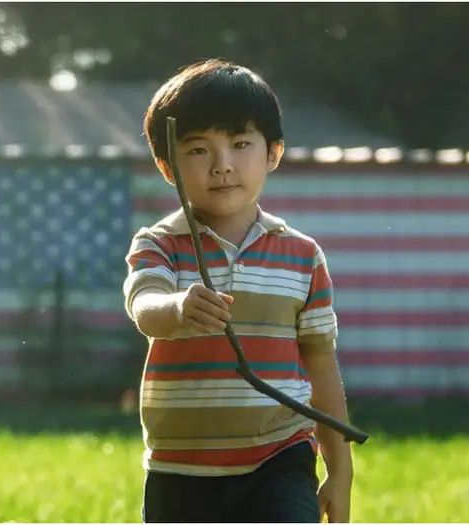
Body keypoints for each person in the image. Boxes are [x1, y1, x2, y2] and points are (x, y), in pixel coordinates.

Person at [123, 58, 353, 523]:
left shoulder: (302, 255)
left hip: (280, 457)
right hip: (179, 467)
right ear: (167, 166)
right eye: (198, 149)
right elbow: (144, 305)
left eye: (240, 143)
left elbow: (321, 364)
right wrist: (178, 307)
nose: (222, 165)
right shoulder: (159, 244)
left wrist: (341, 471)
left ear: (273, 153)